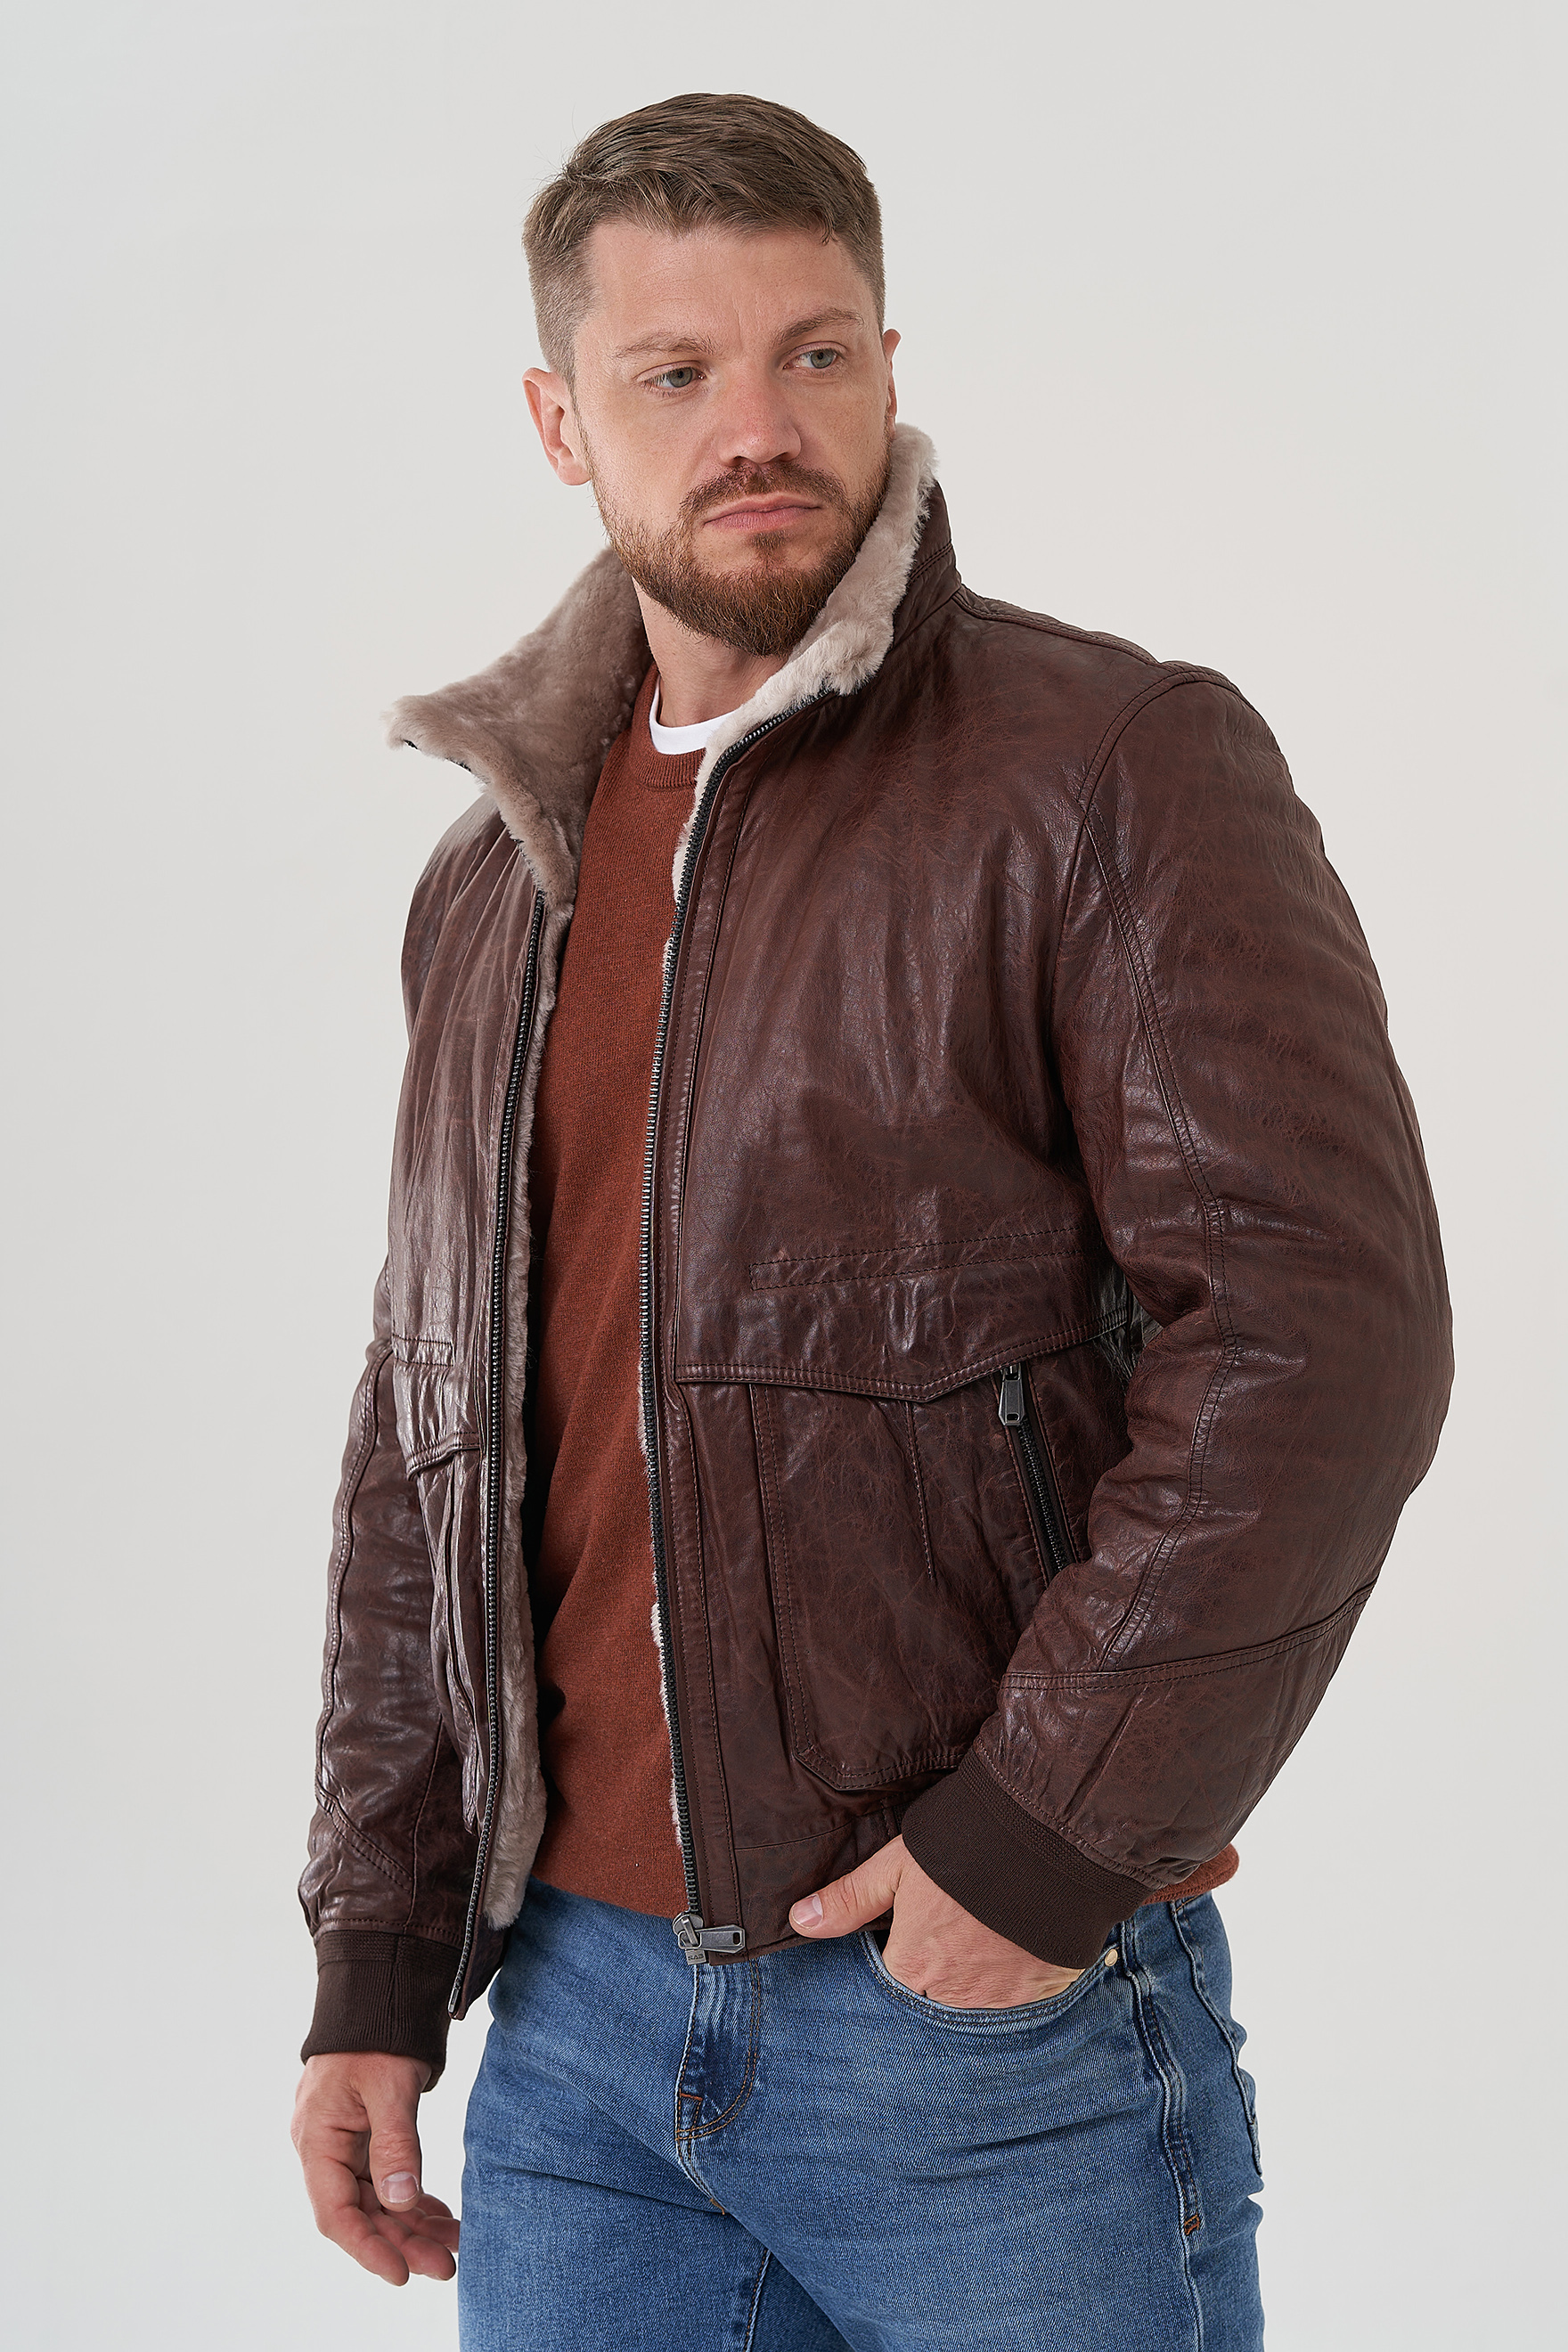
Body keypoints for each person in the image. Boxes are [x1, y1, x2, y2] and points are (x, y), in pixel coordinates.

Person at [290, 91, 1452, 2350]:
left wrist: (1044, 1840)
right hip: (571, 2043)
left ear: (888, 365)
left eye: (814, 354)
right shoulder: (493, 877)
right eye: (675, 372)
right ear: (559, 421)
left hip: (975, 2025)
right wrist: (378, 1950)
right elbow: (426, 1428)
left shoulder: (1104, 766)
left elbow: (1317, 1334)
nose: (759, 426)